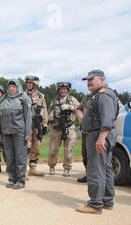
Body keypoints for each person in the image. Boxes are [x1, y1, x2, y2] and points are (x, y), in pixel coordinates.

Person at [76, 70, 119, 214]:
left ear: (101, 79)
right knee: (105, 168)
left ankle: (95, 204)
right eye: (87, 80)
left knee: (96, 169)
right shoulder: (97, 95)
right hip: (99, 133)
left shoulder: (104, 94)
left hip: (99, 134)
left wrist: (101, 138)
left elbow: (107, 118)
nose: (88, 82)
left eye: (91, 79)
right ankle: (107, 200)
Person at [0, 79, 32, 189]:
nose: (11, 89)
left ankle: (20, 180)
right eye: (10, 86)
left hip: (19, 132)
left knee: (20, 157)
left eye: (14, 86)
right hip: (6, 132)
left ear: (17, 87)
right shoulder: (4, 100)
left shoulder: (23, 99)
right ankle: (12, 179)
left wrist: (28, 132)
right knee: (9, 156)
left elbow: (28, 117)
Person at [47, 82, 80, 177]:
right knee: (53, 148)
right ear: (58, 90)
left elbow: (79, 109)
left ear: (67, 90)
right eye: (61, 89)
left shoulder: (72, 99)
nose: (62, 91)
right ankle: (52, 166)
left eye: (64, 89)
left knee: (69, 149)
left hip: (69, 126)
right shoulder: (54, 101)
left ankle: (67, 168)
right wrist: (50, 116)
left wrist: (69, 107)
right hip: (56, 127)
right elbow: (49, 111)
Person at [25, 75, 48, 177]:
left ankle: (33, 169)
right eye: (27, 83)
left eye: (30, 83)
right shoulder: (23, 95)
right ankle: (23, 171)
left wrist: (45, 124)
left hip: (37, 125)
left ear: (35, 85)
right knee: (26, 147)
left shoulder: (41, 96)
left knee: (36, 146)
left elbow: (44, 110)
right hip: (27, 124)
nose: (28, 84)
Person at [76, 94, 92, 183]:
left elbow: (119, 109)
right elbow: (79, 108)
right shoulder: (87, 96)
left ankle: (96, 177)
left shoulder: (106, 94)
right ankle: (89, 175)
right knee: (85, 153)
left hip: (98, 131)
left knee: (96, 155)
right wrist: (80, 115)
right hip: (86, 131)